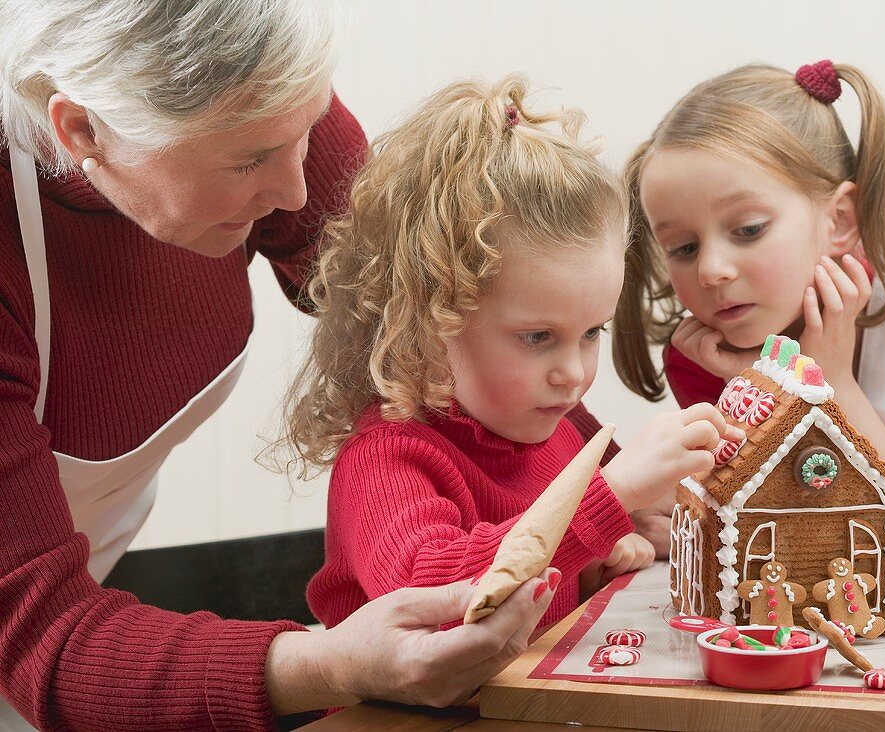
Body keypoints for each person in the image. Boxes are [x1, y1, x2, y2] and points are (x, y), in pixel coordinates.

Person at [0, 2, 558, 729]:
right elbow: (50, 639)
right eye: (247, 163)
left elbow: (442, 321)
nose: (294, 192)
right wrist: (331, 663)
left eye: (303, 133)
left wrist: (602, 477)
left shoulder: (264, 108)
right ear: (82, 130)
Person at [279, 75, 742, 633]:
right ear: (430, 319)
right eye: (537, 337)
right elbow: (438, 600)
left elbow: (576, 558)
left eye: (591, 331)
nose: (573, 375)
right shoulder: (387, 459)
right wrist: (607, 498)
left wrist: (598, 563)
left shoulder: (565, 431)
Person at [613, 59, 885, 523]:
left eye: (747, 229)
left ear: (838, 219)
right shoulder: (706, 352)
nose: (710, 271)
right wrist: (763, 387)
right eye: (683, 247)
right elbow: (766, 515)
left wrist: (831, 385)